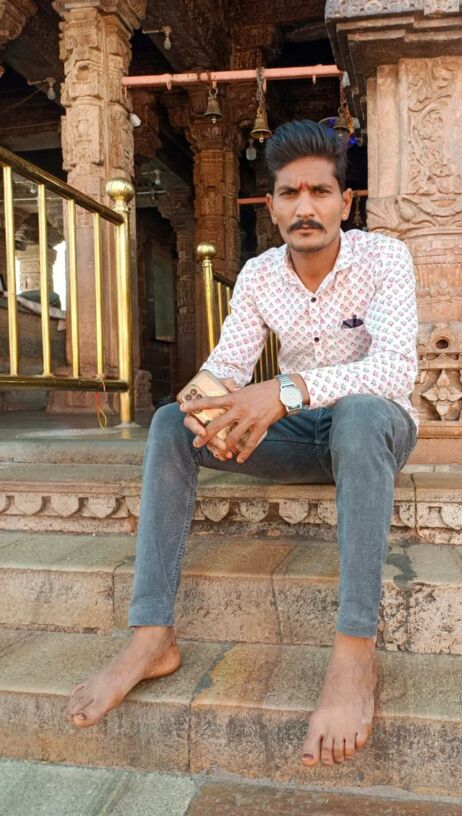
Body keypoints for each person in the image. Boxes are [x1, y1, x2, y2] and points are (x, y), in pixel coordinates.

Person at [66, 119, 419, 768]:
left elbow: (395, 370)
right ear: (272, 206)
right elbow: (227, 366)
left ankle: (354, 653)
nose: (305, 207)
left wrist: (286, 390)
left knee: (361, 414)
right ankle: (152, 634)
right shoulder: (260, 275)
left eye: (320, 192)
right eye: (289, 193)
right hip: (302, 438)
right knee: (170, 424)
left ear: (346, 203)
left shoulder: (385, 258)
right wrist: (205, 406)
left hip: (373, 431)